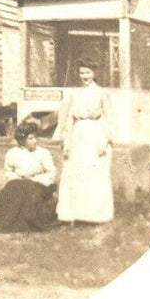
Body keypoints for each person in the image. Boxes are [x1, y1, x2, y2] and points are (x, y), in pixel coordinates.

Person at [55, 59, 114, 225]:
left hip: (95, 134)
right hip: (78, 135)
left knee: (93, 173)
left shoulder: (102, 93)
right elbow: (69, 118)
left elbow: (109, 119)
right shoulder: (76, 94)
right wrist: (66, 142)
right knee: (75, 172)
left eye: (87, 72)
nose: (84, 76)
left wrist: (104, 142)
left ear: (94, 73)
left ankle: (95, 216)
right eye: (81, 73)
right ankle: (74, 214)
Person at [0, 124, 57, 232]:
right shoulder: (12, 153)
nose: (35, 141)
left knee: (29, 191)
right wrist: (17, 178)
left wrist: (34, 180)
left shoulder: (42, 153)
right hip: (19, 182)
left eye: (35, 137)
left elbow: (51, 172)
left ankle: (30, 224)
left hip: (39, 184)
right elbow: (8, 171)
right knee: (11, 191)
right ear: (22, 141)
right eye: (31, 138)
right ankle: (10, 225)